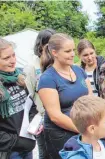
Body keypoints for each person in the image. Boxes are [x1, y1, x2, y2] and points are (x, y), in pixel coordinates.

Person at [38, 33, 93, 159]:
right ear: (54, 53)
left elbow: (90, 97)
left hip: (83, 128)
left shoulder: (79, 70)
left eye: (73, 50)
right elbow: (55, 116)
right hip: (62, 134)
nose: (73, 54)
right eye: (68, 51)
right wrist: (83, 130)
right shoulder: (47, 79)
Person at [0, 38, 37, 159]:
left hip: (26, 145)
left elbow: (31, 105)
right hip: (8, 151)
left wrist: (34, 123)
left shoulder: (20, 78)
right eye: (6, 58)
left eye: (13, 55)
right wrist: (16, 142)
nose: (13, 61)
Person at [23, 28, 56, 159]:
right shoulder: (32, 66)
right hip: (41, 115)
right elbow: (30, 92)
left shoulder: (58, 63)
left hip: (59, 112)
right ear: (41, 45)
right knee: (44, 151)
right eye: (49, 43)